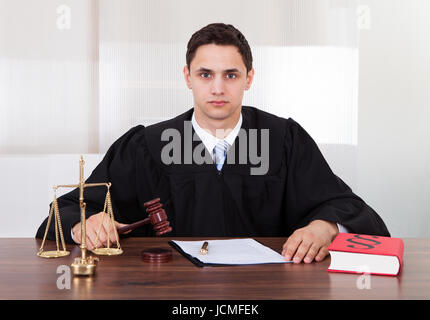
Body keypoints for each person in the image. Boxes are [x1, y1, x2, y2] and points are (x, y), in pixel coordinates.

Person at [36, 23, 390, 264]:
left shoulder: (283, 140)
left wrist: (325, 226)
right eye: (205, 74)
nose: (218, 88)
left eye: (231, 75)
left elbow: (346, 206)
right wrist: (84, 225)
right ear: (187, 77)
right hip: (170, 292)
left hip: (267, 293)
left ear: (249, 78)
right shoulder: (147, 145)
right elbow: (65, 210)